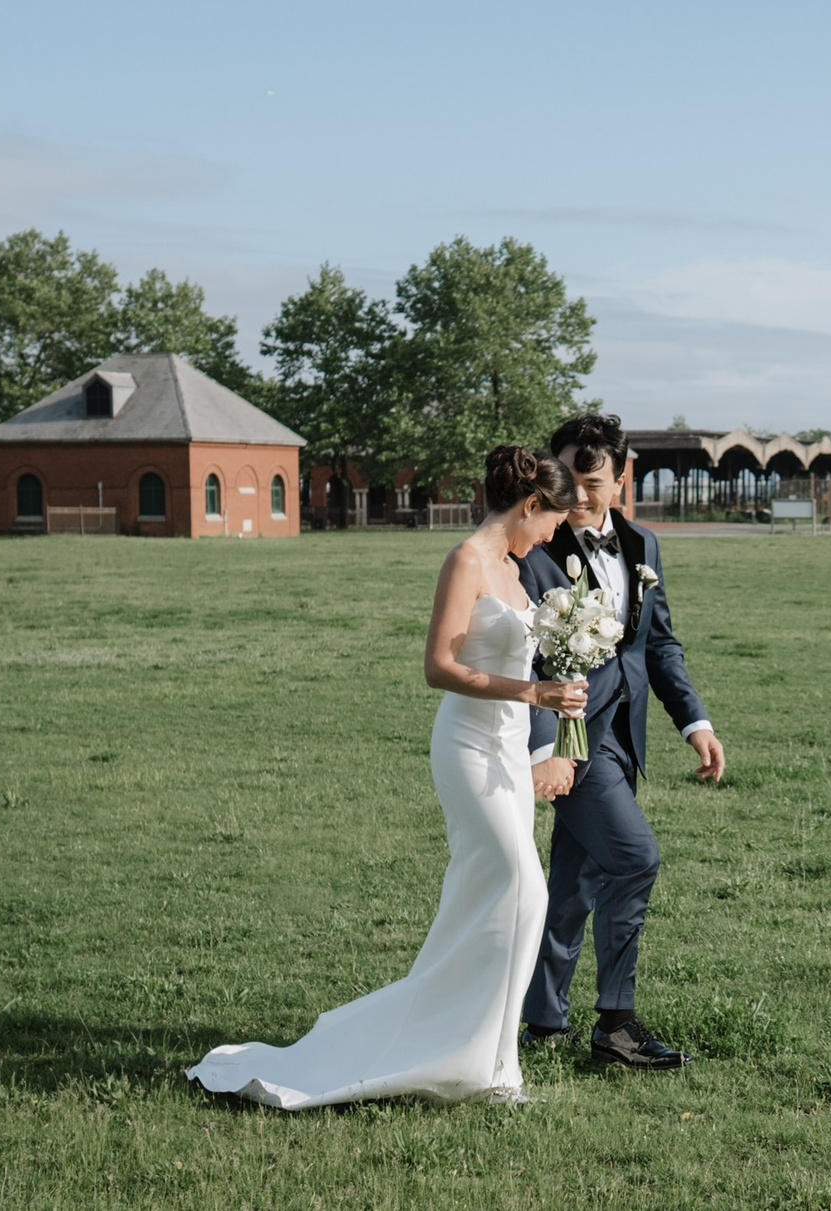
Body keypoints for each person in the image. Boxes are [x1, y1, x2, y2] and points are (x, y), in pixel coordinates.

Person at [187, 447, 588, 1108]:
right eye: (551, 520)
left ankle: (487, 1058)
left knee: (490, 897)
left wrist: (554, 695)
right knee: (526, 891)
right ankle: (491, 1067)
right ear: (529, 505)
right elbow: (437, 664)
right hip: (467, 745)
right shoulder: (465, 560)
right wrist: (532, 691)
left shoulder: (519, 571)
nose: (553, 533)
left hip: (511, 751)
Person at [518, 412, 723, 1071]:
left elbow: (658, 644)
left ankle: (544, 1020)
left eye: (593, 480)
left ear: (621, 477)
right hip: (574, 746)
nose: (578, 495)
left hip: (625, 739)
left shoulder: (643, 545)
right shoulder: (537, 553)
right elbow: (524, 661)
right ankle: (617, 1023)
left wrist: (695, 722)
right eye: (568, 479)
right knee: (634, 858)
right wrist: (545, 748)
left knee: (575, 885)